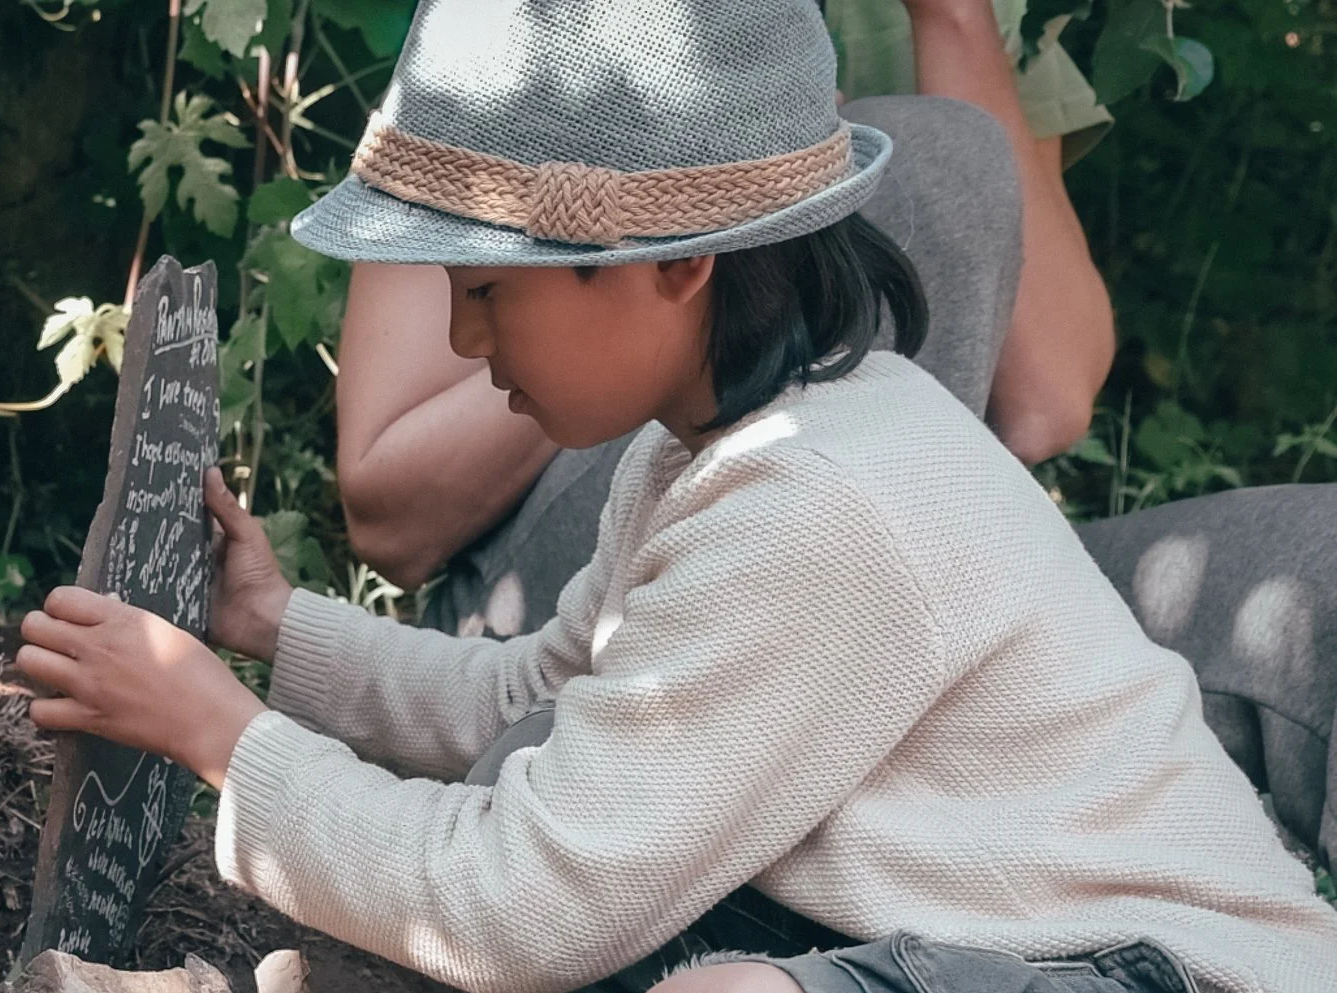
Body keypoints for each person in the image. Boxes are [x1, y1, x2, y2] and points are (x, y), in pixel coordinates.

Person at [14, 2, 1337, 993]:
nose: (468, 343)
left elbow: (514, 903)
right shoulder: (714, 452)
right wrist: (275, 627)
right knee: (662, 971)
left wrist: (220, 735)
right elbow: (523, 705)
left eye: (491, 290)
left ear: (680, 261)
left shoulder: (819, 499)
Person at [339, 0, 1113, 640]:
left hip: (876, 592)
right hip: (543, 606)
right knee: (913, 161)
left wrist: (952, 18)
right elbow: (390, 517)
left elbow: (1047, 405)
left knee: (941, 152)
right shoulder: (535, 25)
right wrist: (674, 257)